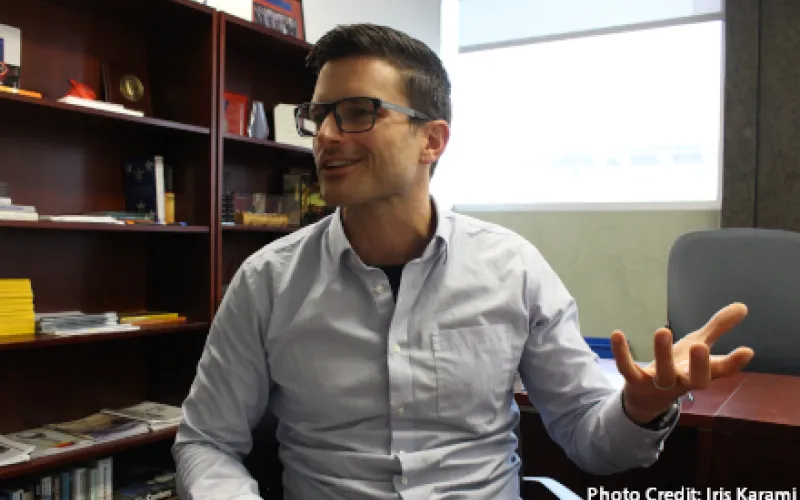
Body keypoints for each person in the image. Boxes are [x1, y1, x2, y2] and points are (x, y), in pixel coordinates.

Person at [172, 23, 755, 500]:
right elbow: (206, 441)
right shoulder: (268, 280)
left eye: (356, 112)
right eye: (319, 115)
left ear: (433, 141)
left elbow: (589, 438)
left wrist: (642, 406)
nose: (324, 135)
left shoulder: (512, 269)